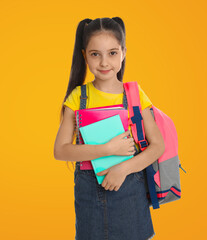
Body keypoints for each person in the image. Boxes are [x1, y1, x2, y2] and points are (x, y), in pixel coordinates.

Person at [53, 17, 165, 240]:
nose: (104, 62)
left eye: (112, 53)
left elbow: (157, 146)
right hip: (88, 194)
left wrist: (122, 169)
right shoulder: (77, 98)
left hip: (130, 192)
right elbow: (61, 150)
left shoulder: (134, 95)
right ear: (85, 55)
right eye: (96, 54)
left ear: (123, 52)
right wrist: (108, 148)